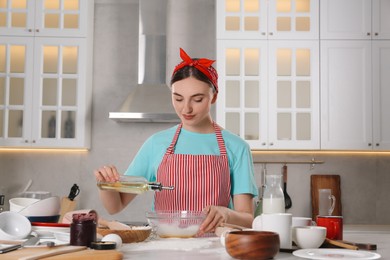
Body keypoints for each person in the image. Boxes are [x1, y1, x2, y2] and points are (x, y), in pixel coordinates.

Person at [94, 48, 258, 235]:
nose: (186, 108)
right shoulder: (156, 144)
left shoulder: (237, 147)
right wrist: (105, 184)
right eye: (178, 98)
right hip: (165, 248)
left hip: (214, 249)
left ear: (214, 97)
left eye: (197, 99)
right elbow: (116, 205)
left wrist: (227, 214)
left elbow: (248, 219)